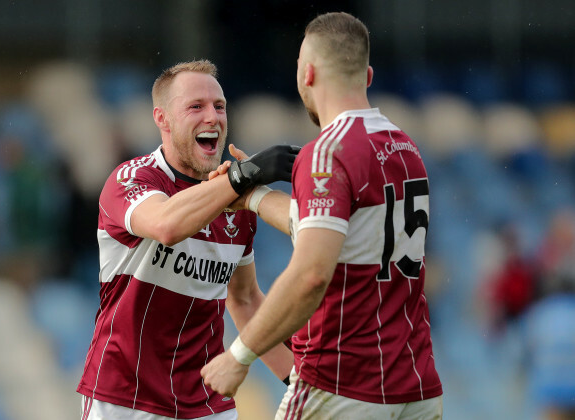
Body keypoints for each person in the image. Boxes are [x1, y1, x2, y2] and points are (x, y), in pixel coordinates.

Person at [201, 12, 443, 419]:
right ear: (367, 76)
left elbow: (311, 273)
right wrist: (253, 198)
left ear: (307, 74)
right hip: (415, 386)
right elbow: (336, 233)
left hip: (343, 384)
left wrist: (238, 356)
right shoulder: (406, 149)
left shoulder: (328, 152)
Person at [76, 59, 298, 420]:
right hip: (125, 400)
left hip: (207, 403)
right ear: (162, 118)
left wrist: (297, 380)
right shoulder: (132, 179)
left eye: (219, 106)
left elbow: (243, 300)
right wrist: (242, 180)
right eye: (196, 106)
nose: (212, 117)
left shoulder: (236, 201)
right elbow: (167, 224)